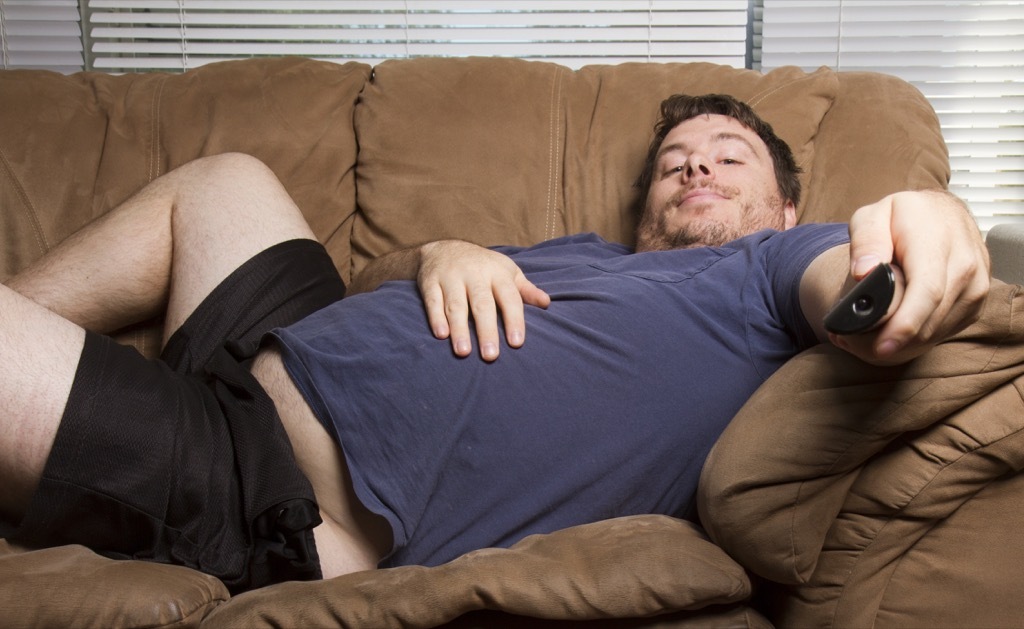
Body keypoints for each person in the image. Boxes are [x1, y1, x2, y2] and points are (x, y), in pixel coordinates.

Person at [0, 94, 990, 593]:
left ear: (781, 200)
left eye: (726, 156)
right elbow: (365, 285)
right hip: (279, 349)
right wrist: (438, 250)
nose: (694, 167)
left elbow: (857, 278)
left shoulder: (772, 269)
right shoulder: (589, 255)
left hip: (261, 481)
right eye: (674, 160)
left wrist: (923, 226)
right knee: (226, 181)